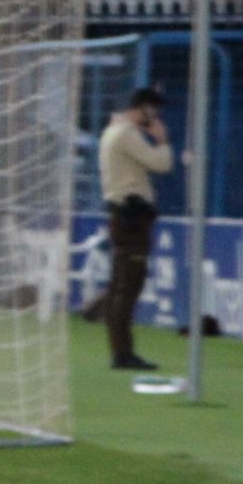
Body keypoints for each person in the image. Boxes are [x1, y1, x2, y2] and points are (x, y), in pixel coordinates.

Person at [97, 86, 173, 371]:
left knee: (121, 282)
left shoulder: (111, 131)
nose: (157, 117)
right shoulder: (126, 134)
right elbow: (161, 164)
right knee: (129, 285)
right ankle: (122, 353)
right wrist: (161, 140)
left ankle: (118, 346)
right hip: (131, 218)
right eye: (155, 111)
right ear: (145, 108)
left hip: (123, 215)